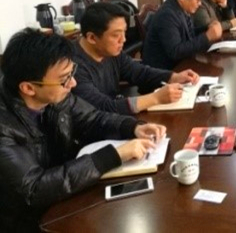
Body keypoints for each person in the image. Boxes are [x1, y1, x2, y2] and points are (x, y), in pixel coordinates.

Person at [0, 29, 166, 232]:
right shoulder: (4, 125)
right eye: (64, 78)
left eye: (72, 72)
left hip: (68, 194)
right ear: (28, 88)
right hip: (31, 220)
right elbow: (34, 189)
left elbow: (93, 118)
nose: (73, 83)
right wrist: (113, 156)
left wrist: (132, 127)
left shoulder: (56, 94)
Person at [73, 2, 200, 114]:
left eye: (124, 32)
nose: (123, 39)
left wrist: (173, 77)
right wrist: (155, 98)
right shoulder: (72, 67)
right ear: (92, 38)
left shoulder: (110, 52)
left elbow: (139, 72)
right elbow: (103, 107)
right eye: (116, 35)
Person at [143, 0, 222, 70]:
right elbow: (176, 51)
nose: (200, 3)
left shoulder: (180, 8)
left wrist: (208, 28)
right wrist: (207, 37)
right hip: (164, 71)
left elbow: (189, 33)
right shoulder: (167, 15)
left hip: (180, 64)